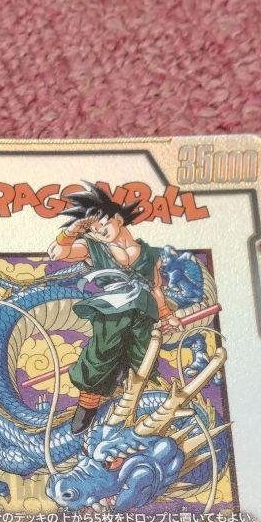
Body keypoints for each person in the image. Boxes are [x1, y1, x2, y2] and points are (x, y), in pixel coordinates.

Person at [49, 183, 181, 433]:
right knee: (102, 353)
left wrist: (166, 315)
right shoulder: (93, 248)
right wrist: (74, 230)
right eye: (94, 230)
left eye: (103, 224)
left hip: (144, 312)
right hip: (113, 310)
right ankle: (87, 407)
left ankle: (130, 407)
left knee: (142, 357)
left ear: (118, 219)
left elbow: (155, 287)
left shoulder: (150, 254)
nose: (100, 232)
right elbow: (57, 253)